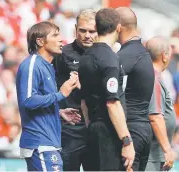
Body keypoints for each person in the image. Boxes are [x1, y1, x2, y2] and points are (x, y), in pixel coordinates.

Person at [16, 21, 81, 171]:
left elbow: (39, 101)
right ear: (40, 41)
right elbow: (27, 100)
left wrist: (57, 113)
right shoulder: (32, 64)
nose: (61, 39)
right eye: (55, 35)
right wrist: (61, 94)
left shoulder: (48, 66)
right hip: (40, 143)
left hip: (48, 142)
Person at [79, 8, 135, 171]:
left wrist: (92, 126)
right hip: (109, 132)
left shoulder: (85, 57)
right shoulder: (109, 58)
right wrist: (126, 141)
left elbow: (84, 103)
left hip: (94, 129)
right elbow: (112, 103)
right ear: (118, 27)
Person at [53, 9, 97, 171]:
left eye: (92, 31)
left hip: (96, 129)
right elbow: (49, 86)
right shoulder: (62, 54)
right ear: (75, 29)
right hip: (70, 129)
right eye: (82, 30)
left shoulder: (106, 55)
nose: (87, 35)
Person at [115, 7, 155, 171]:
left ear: (118, 27)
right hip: (143, 130)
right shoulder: (143, 53)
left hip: (131, 132)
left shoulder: (126, 56)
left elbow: (110, 94)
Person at [145, 36, 176, 171]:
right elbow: (155, 116)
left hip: (156, 154)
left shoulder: (152, 76)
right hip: (152, 156)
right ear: (164, 56)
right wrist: (167, 149)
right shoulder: (153, 79)